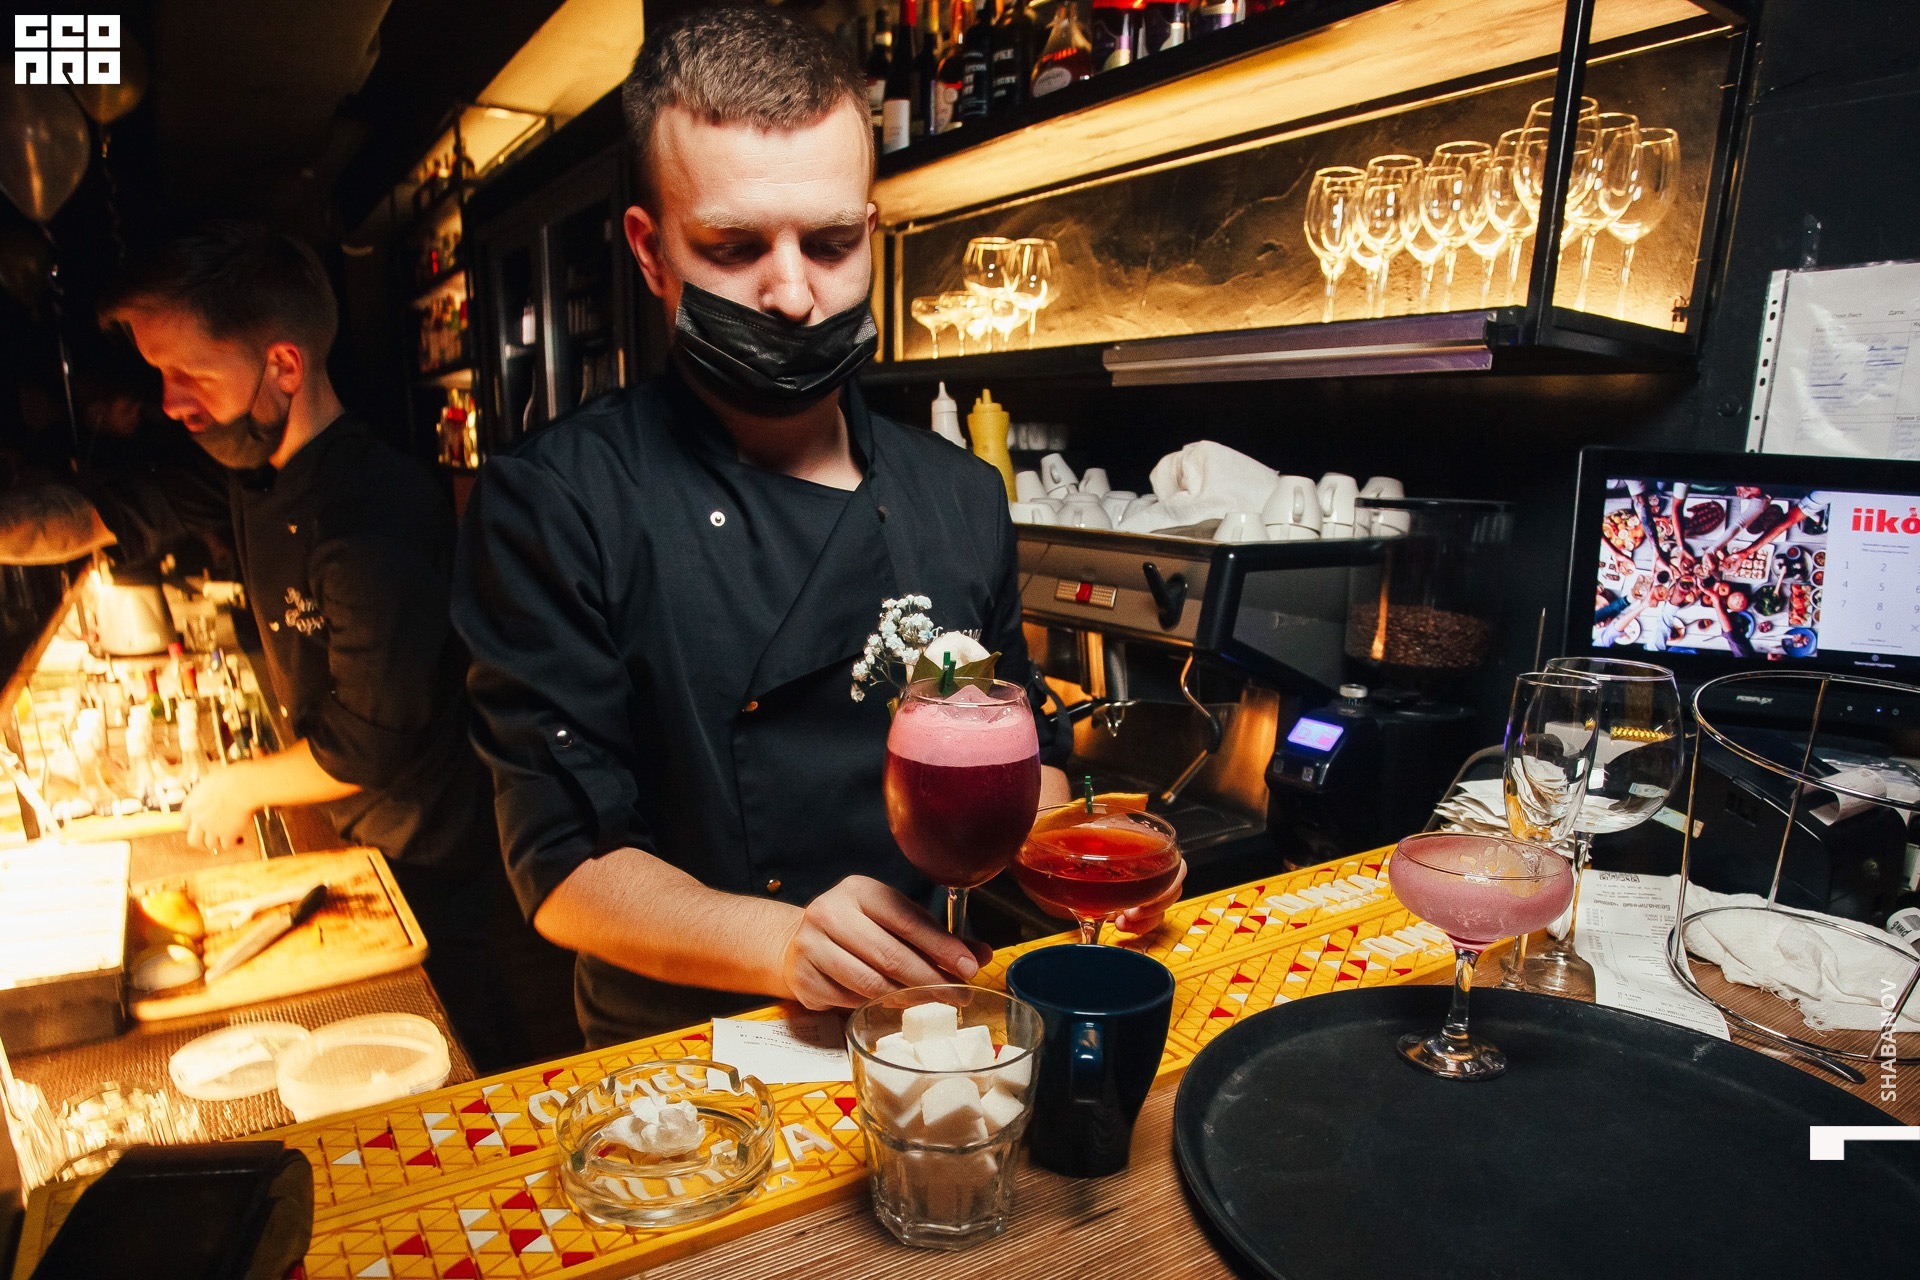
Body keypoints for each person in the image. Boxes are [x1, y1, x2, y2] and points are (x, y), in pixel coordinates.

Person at [452, 5, 1184, 1048]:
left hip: (934, 1025)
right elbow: (566, 864)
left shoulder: (959, 494)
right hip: (690, 1054)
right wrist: (784, 942)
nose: (793, 294)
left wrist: (1082, 849)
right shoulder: (559, 501)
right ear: (651, 253)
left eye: (832, 243)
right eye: (734, 246)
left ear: (871, 235)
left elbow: (1018, 756)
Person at [2, 223, 536, 1070]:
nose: (171, 402)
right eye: (161, 376)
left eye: (192, 375)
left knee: (458, 1042)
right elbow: (95, 517)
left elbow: (369, 743)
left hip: (424, 845)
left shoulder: (373, 516)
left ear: (283, 365)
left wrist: (239, 785)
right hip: (356, 824)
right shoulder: (250, 474)